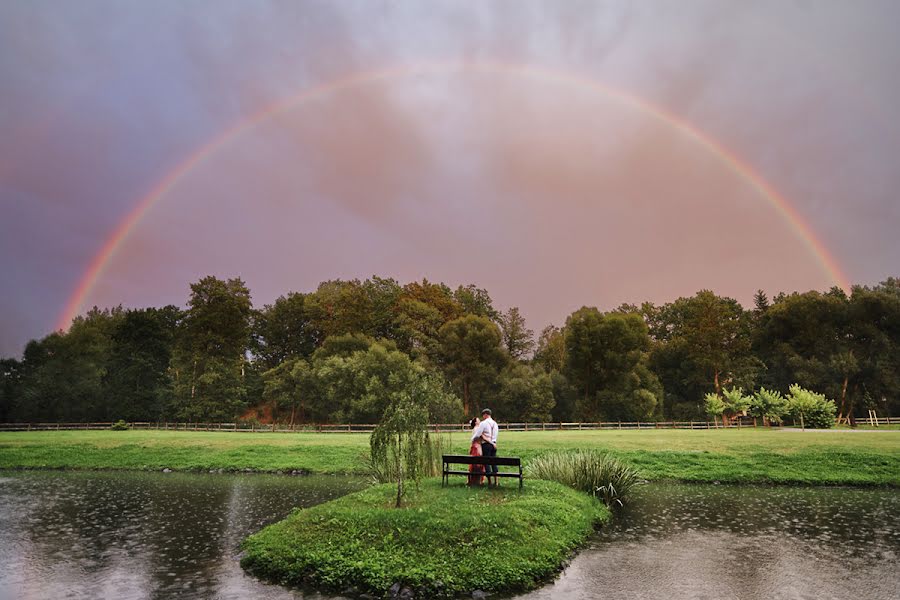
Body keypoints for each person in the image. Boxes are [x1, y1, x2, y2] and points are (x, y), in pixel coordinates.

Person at [471, 408, 498, 486]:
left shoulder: (483, 423)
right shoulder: (495, 423)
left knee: (486, 462)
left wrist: (472, 439)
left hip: (486, 444)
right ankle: (496, 481)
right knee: (494, 462)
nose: (482, 417)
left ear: (485, 415)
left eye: (483, 415)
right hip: (494, 444)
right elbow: (495, 435)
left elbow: (478, 434)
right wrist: (493, 442)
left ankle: (489, 481)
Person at [466, 417, 485, 486]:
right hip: (477, 447)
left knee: (473, 463)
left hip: (474, 446)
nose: (480, 421)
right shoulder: (477, 429)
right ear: (476, 422)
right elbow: (480, 437)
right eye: (478, 420)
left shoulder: (474, 429)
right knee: (478, 464)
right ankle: (479, 480)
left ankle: (472, 480)